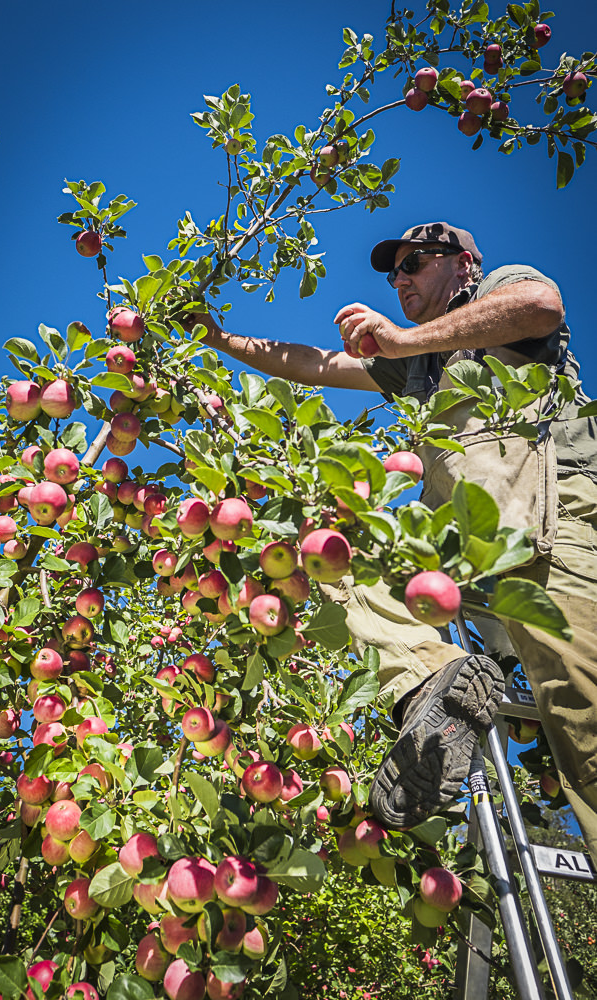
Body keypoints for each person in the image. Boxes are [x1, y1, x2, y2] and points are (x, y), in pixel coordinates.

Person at [188, 221, 597, 866]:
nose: (399, 278)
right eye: (392, 271)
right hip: (465, 570)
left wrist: (403, 338)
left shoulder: (499, 290)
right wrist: (218, 338)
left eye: (413, 262)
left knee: (587, 738)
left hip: (550, 541)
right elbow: (312, 365)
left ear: (463, 263)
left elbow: (541, 305)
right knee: (327, 552)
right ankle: (439, 679)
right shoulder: (418, 369)